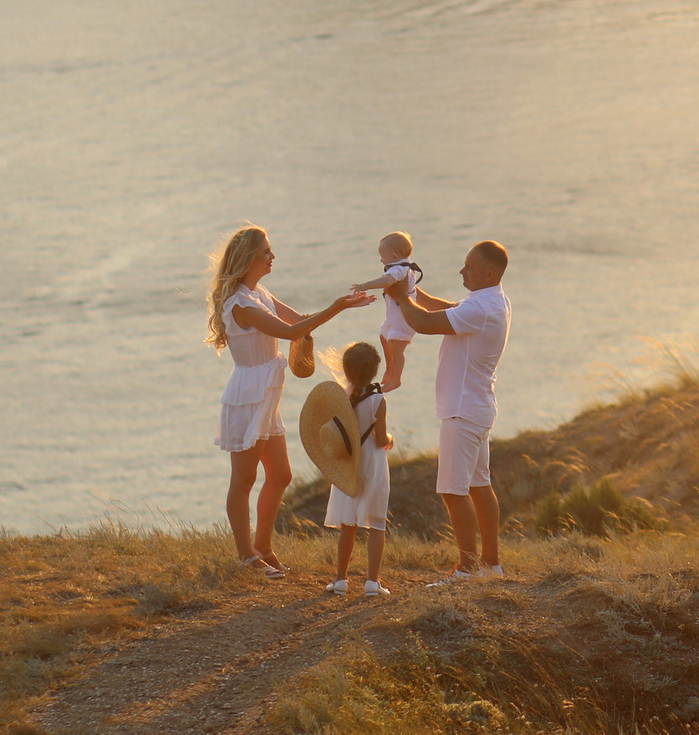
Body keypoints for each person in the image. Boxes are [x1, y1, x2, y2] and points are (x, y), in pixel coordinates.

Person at [205, 224, 368, 578]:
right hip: (248, 396)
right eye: (266, 251)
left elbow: (299, 321)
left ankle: (263, 548)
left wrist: (343, 306)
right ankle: (246, 556)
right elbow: (292, 332)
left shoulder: (260, 293)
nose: (272, 256)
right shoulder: (241, 304)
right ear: (249, 258)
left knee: (280, 475)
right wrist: (338, 306)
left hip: (266, 395)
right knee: (243, 480)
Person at [385, 239, 511, 583]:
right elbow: (448, 309)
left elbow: (424, 323)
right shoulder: (492, 299)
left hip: (462, 410)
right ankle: (491, 564)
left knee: (453, 491)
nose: (461, 271)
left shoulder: (481, 309)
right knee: (479, 486)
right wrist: (413, 290)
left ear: (488, 273)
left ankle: (467, 569)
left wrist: (401, 297)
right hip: (477, 406)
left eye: (468, 267)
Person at [321, 342, 394, 598]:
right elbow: (381, 440)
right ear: (374, 371)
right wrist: (391, 439)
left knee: (348, 524)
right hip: (372, 463)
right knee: (376, 523)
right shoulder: (377, 400)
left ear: (347, 370)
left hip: (349, 464)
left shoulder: (340, 396)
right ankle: (372, 582)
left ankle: (341, 579)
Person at [359, 232, 426, 391]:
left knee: (397, 349)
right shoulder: (403, 266)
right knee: (384, 336)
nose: (381, 260)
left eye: (382, 256)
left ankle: (396, 379)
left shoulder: (398, 270)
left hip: (403, 318)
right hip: (394, 317)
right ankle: (390, 368)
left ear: (395, 257)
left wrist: (366, 285)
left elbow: (387, 281)